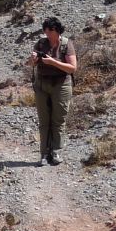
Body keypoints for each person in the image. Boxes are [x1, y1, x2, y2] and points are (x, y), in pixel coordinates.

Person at [26, 16, 77, 166]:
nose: (46, 33)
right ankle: (44, 153)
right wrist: (33, 59)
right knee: (44, 121)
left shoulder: (67, 44)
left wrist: (53, 62)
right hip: (42, 85)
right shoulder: (41, 43)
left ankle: (56, 151)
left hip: (61, 86)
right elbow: (30, 63)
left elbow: (73, 68)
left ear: (56, 30)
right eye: (45, 30)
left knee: (58, 120)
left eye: (49, 30)